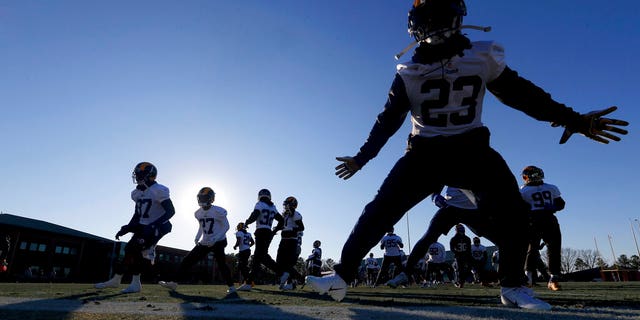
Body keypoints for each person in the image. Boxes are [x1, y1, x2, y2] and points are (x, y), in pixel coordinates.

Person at [306, 0, 627, 309]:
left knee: (514, 213)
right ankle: (341, 277)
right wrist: (362, 158)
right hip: (424, 152)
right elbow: (387, 121)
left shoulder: (479, 56)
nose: (436, 29)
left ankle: (513, 285)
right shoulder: (409, 70)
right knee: (380, 211)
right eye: (429, 22)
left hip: (471, 148)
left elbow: (523, 95)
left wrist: (575, 120)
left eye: (440, 19)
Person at [95, 162, 175, 293]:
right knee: (129, 250)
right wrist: (128, 227)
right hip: (144, 226)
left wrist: (154, 225)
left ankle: (136, 282)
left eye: (141, 174)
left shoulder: (158, 190)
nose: (138, 177)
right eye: (137, 174)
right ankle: (116, 280)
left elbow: (171, 211)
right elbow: (138, 214)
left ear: (150, 176)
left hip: (160, 225)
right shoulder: (136, 193)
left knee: (134, 249)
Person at [158, 187, 236, 293]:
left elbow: (226, 226)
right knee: (187, 260)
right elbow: (201, 226)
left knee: (221, 264)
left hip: (219, 241)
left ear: (211, 199)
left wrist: (215, 238)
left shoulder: (218, 211)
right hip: (205, 240)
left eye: (205, 198)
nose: (202, 200)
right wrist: (197, 236)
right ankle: (174, 283)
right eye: (201, 198)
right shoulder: (197, 213)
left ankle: (231, 287)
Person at [520, 166, 565, 291]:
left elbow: (561, 204)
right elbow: (561, 204)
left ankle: (550, 279)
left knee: (540, 249)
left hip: (538, 220)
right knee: (541, 249)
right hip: (542, 219)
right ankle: (531, 278)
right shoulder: (551, 187)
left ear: (527, 177)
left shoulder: (523, 191)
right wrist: (551, 207)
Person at [238, 189, 283, 291]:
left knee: (258, 258)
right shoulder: (273, 207)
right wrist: (274, 230)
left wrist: (247, 222)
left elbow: (255, 214)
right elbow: (281, 220)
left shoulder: (260, 204)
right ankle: (282, 273)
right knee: (260, 257)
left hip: (261, 231)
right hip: (268, 232)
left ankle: (249, 282)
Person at [273, 196, 305, 290]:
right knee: (279, 261)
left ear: (292, 204)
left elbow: (302, 227)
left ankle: (292, 281)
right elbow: (282, 225)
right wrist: (274, 230)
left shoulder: (296, 214)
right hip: (284, 240)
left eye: (287, 203)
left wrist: (292, 230)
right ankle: (294, 279)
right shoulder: (285, 215)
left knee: (288, 264)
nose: (285, 206)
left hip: (291, 241)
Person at [450, 224, 472, 288]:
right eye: (460, 229)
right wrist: (457, 253)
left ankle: (462, 280)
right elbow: (452, 248)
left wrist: (468, 255)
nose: (462, 230)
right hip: (458, 256)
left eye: (462, 228)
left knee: (469, 268)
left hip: (466, 255)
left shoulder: (467, 238)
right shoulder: (454, 239)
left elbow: (469, 248)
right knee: (460, 269)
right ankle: (461, 282)